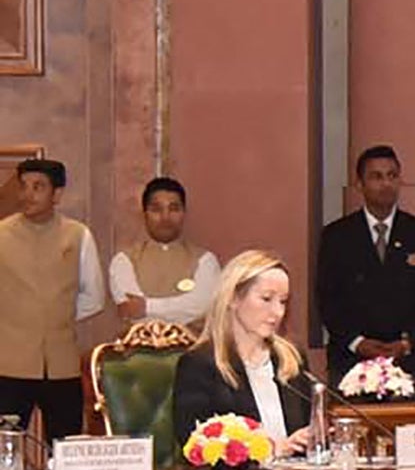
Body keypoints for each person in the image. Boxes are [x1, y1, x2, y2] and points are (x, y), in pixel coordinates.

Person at [313, 144, 415, 398]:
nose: (386, 184)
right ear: (359, 184)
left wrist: (407, 342)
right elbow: (327, 299)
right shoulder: (337, 235)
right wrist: (357, 342)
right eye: (376, 176)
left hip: (410, 360)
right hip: (350, 360)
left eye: (392, 176)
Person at [168, 250, 318, 450]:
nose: (278, 312)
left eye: (283, 301)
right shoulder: (200, 364)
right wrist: (272, 449)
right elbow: (195, 442)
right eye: (266, 299)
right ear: (233, 298)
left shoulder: (290, 358)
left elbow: (311, 426)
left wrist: (310, 437)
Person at [0, 157, 104, 439]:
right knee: (6, 448)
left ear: (57, 194)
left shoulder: (78, 235)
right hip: (9, 364)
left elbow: (94, 296)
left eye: (38, 187)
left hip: (61, 364)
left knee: (63, 446)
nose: (28, 194)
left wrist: (56, 316)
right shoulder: (2, 234)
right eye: (23, 187)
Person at [109, 177, 219, 328]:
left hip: (193, 349)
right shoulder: (123, 260)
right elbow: (132, 312)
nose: (165, 217)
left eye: (173, 209)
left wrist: (147, 307)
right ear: (145, 214)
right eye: (156, 209)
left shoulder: (205, 260)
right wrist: (180, 309)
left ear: (183, 213)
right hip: (139, 349)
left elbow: (203, 305)